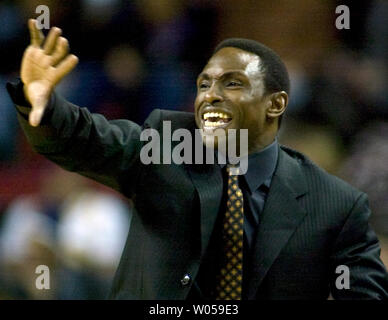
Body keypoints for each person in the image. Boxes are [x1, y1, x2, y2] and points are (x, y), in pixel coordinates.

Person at [6, 19, 388, 300]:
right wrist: (43, 103)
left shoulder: (335, 205)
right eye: (204, 84)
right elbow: (87, 138)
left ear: (276, 104)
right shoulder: (167, 145)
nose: (210, 95)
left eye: (232, 83)